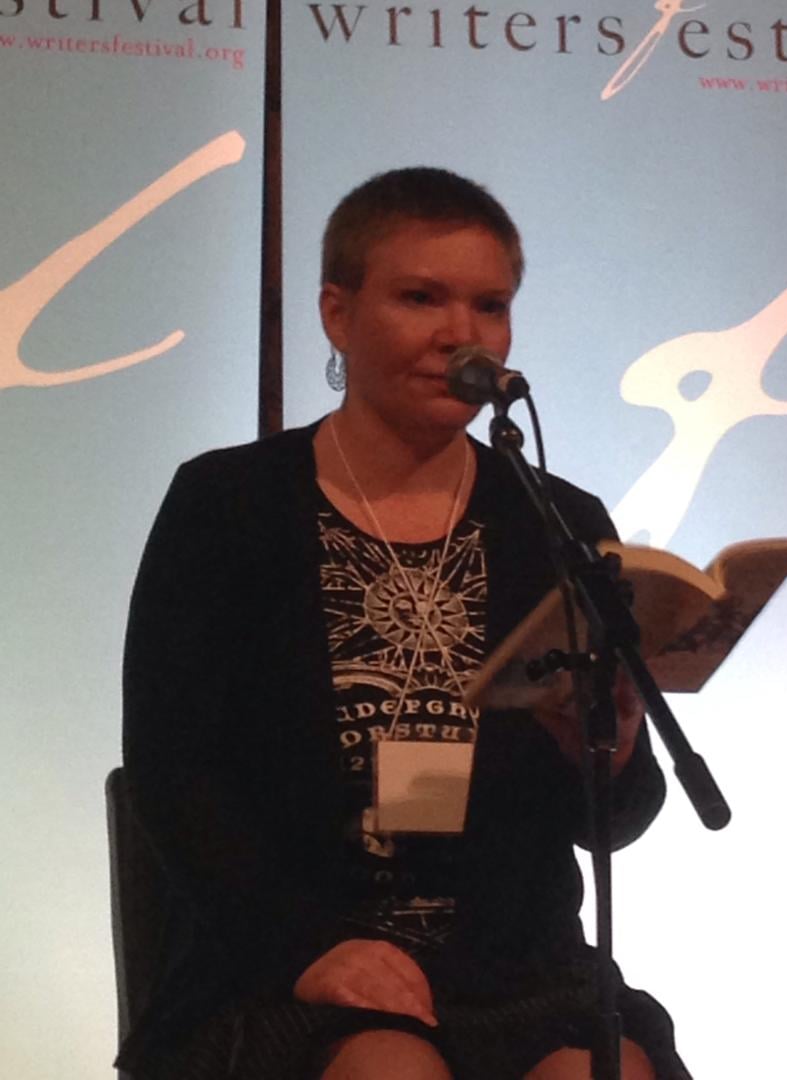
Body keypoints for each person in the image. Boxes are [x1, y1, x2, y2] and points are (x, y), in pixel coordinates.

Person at [118, 168, 691, 1079]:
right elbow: (172, 776)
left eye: (489, 305)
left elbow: (616, 825)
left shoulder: (560, 523)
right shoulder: (226, 504)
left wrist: (612, 747)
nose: (460, 335)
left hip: (515, 964)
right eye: (421, 297)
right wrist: (310, 948)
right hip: (291, 959)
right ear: (336, 314)